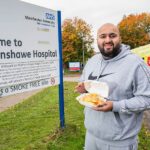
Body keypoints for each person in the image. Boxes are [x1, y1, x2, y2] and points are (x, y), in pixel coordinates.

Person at [75, 23, 150, 150]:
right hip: (91, 136)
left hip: (120, 142)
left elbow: (147, 99)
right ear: (97, 40)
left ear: (119, 38)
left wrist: (115, 106)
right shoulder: (92, 61)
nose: (108, 40)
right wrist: (83, 88)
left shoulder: (136, 64)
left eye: (112, 36)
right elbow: (84, 82)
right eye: (103, 36)